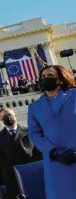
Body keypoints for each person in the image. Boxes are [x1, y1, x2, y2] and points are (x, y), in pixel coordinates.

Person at [27, 65, 76, 199]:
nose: (45, 78)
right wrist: (52, 151)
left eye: (49, 75)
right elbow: (34, 134)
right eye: (42, 77)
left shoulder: (74, 95)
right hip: (56, 163)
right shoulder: (34, 107)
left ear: (60, 79)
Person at [0, 107, 42, 199]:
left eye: (9, 114)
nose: (8, 117)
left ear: (15, 116)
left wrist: (31, 166)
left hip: (32, 174)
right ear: (0, 119)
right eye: (4, 116)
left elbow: (38, 152)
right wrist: (14, 168)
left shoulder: (29, 131)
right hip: (12, 178)